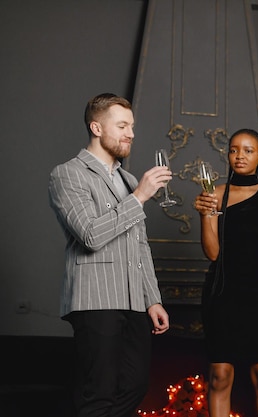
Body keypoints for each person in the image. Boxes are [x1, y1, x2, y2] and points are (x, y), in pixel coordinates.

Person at [48, 93, 170, 417]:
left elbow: (140, 244)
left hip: (133, 301)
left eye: (132, 126)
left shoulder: (128, 179)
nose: (131, 133)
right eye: (122, 125)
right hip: (94, 299)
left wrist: (152, 299)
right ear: (97, 127)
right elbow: (90, 235)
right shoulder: (68, 174)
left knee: (135, 385)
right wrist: (141, 196)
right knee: (98, 393)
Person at [193, 128, 258, 417]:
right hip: (221, 295)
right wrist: (205, 215)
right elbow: (213, 253)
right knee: (220, 377)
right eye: (234, 150)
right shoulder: (214, 193)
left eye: (248, 150)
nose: (240, 156)